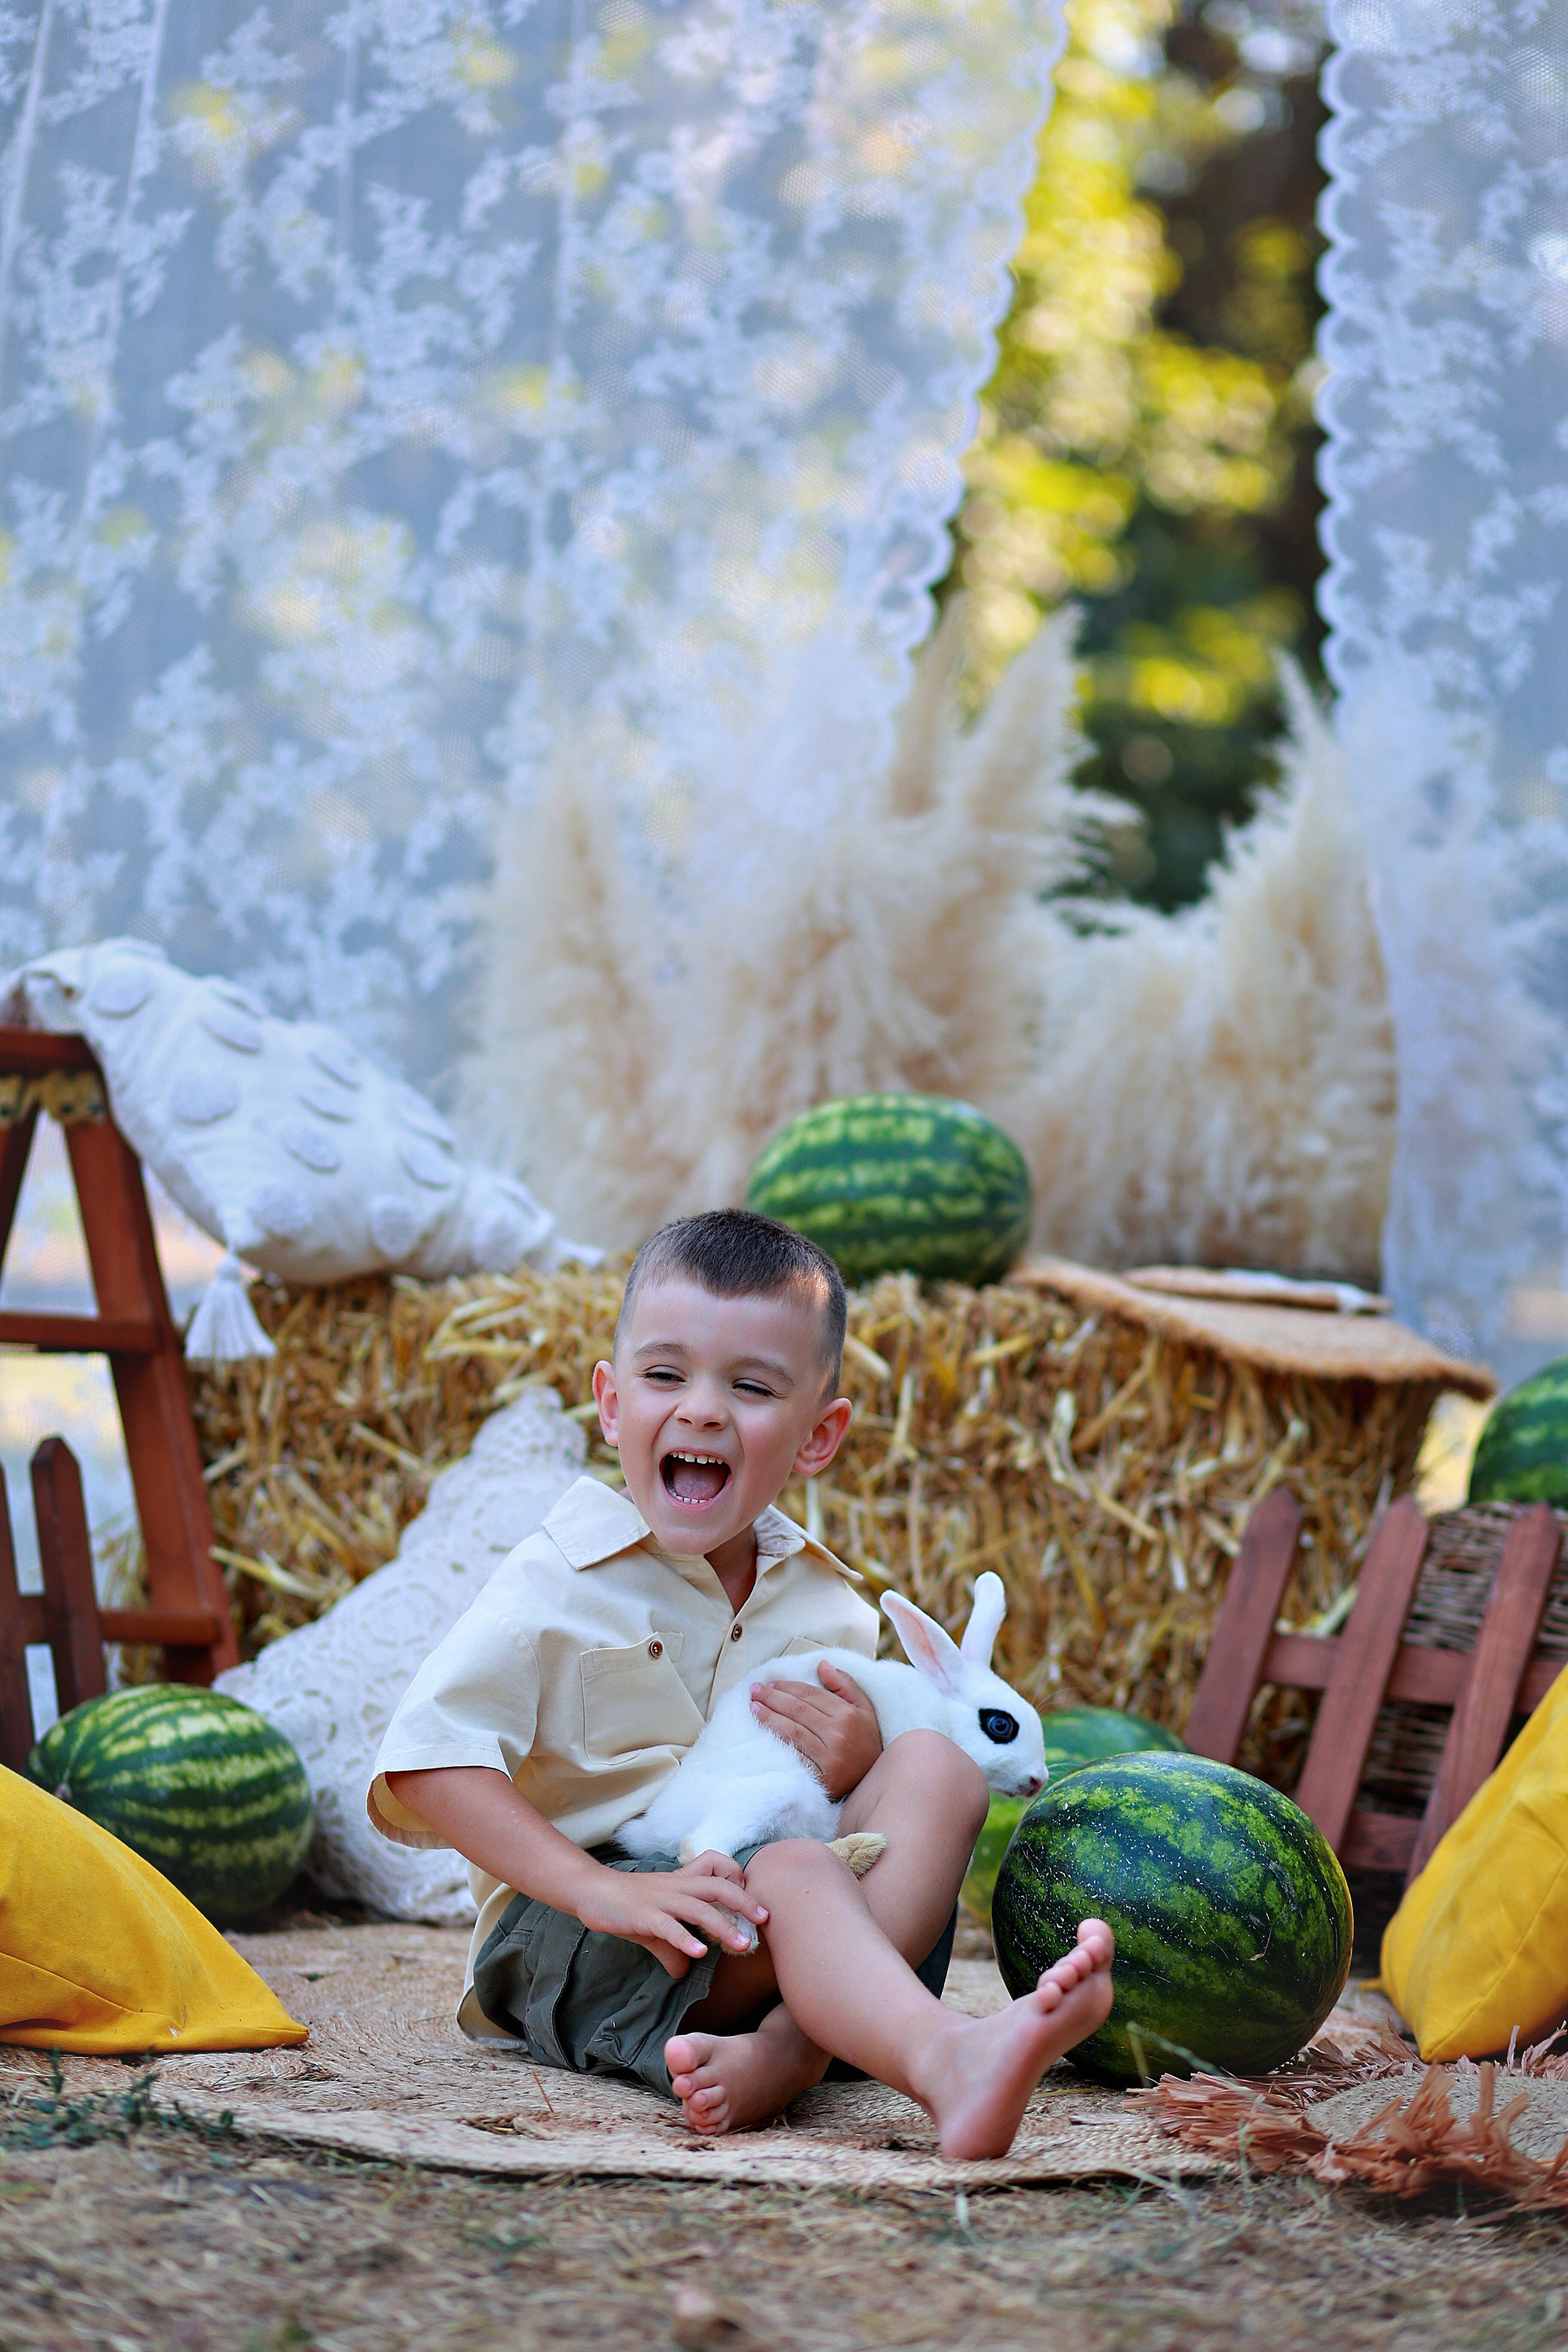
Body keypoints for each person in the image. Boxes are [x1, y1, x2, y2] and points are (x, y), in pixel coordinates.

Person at [368, 1208, 1113, 2158]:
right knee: (798, 1869)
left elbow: (841, 1809)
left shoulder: (829, 1607)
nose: (703, 1409)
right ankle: (941, 2060)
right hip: (588, 1935)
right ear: (610, 1402)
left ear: (818, 1435)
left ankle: (795, 2049)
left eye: (752, 1387)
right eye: (665, 1375)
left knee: (939, 1767)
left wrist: (862, 1762)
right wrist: (602, 1891)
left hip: (774, 1925)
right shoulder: (557, 1581)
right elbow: (431, 1763)